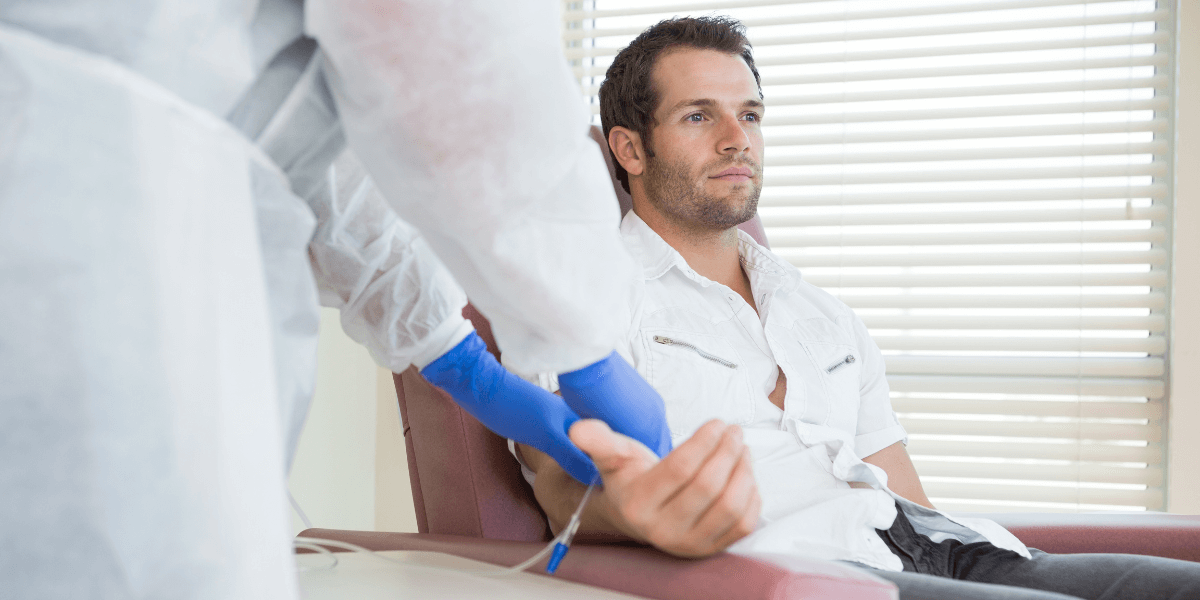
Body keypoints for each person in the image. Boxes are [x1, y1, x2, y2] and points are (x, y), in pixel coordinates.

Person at [513, 16, 1200, 599]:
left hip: (944, 551)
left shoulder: (819, 313)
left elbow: (906, 493)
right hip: (812, 573)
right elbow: (556, 491)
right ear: (630, 148)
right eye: (700, 116)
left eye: (749, 115)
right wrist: (635, 515)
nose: (737, 139)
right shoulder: (583, 297)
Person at [0, 2, 669, 599]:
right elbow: (449, 51)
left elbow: (331, 161)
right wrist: (581, 339)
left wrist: (454, 351)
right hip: (89, 203)